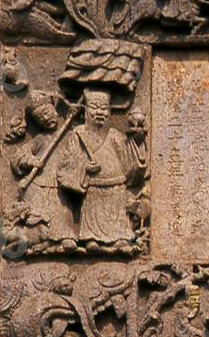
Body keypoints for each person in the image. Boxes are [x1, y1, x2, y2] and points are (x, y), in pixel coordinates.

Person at [58, 89, 146, 250]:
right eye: (94, 107)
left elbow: (129, 160)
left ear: (110, 112)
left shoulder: (115, 135)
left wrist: (137, 142)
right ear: (85, 110)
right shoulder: (78, 134)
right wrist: (84, 166)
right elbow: (67, 162)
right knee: (93, 216)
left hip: (116, 186)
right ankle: (91, 238)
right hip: (93, 188)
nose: (99, 112)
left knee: (116, 217)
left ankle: (120, 237)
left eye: (104, 108)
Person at [11, 90, 74, 246]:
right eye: (40, 118)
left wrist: (74, 115)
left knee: (63, 212)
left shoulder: (70, 134)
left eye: (46, 112)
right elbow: (17, 158)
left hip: (61, 185)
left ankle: (64, 237)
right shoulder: (40, 139)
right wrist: (31, 160)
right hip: (39, 185)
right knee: (37, 214)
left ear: (54, 109)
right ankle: (37, 236)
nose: (45, 118)